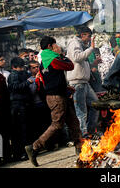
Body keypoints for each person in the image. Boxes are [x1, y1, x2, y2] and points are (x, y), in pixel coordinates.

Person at [25, 36, 83, 167]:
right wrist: (62, 54)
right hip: (56, 97)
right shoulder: (54, 59)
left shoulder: (44, 60)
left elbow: (47, 80)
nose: (57, 47)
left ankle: (80, 148)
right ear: (51, 46)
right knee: (57, 124)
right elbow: (70, 65)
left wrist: (65, 87)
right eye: (55, 45)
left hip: (58, 94)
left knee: (74, 122)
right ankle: (34, 147)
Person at [66, 27, 99, 137]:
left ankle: (90, 130)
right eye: (89, 36)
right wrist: (91, 48)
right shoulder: (74, 43)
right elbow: (76, 58)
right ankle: (83, 135)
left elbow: (82, 63)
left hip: (84, 82)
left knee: (96, 105)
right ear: (83, 35)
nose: (89, 39)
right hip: (77, 83)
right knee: (81, 111)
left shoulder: (81, 45)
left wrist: (94, 63)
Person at [7, 57, 32, 161]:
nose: (22, 69)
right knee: (19, 130)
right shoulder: (13, 75)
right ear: (14, 67)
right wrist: (28, 82)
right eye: (20, 67)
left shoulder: (21, 73)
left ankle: (24, 152)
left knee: (24, 129)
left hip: (23, 103)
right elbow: (14, 87)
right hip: (17, 105)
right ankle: (21, 153)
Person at [27, 60, 51, 143]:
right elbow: (32, 92)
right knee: (41, 126)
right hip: (37, 104)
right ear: (30, 69)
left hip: (46, 102)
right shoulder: (30, 80)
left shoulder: (44, 75)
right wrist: (36, 81)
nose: (36, 69)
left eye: (37, 67)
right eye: (34, 68)